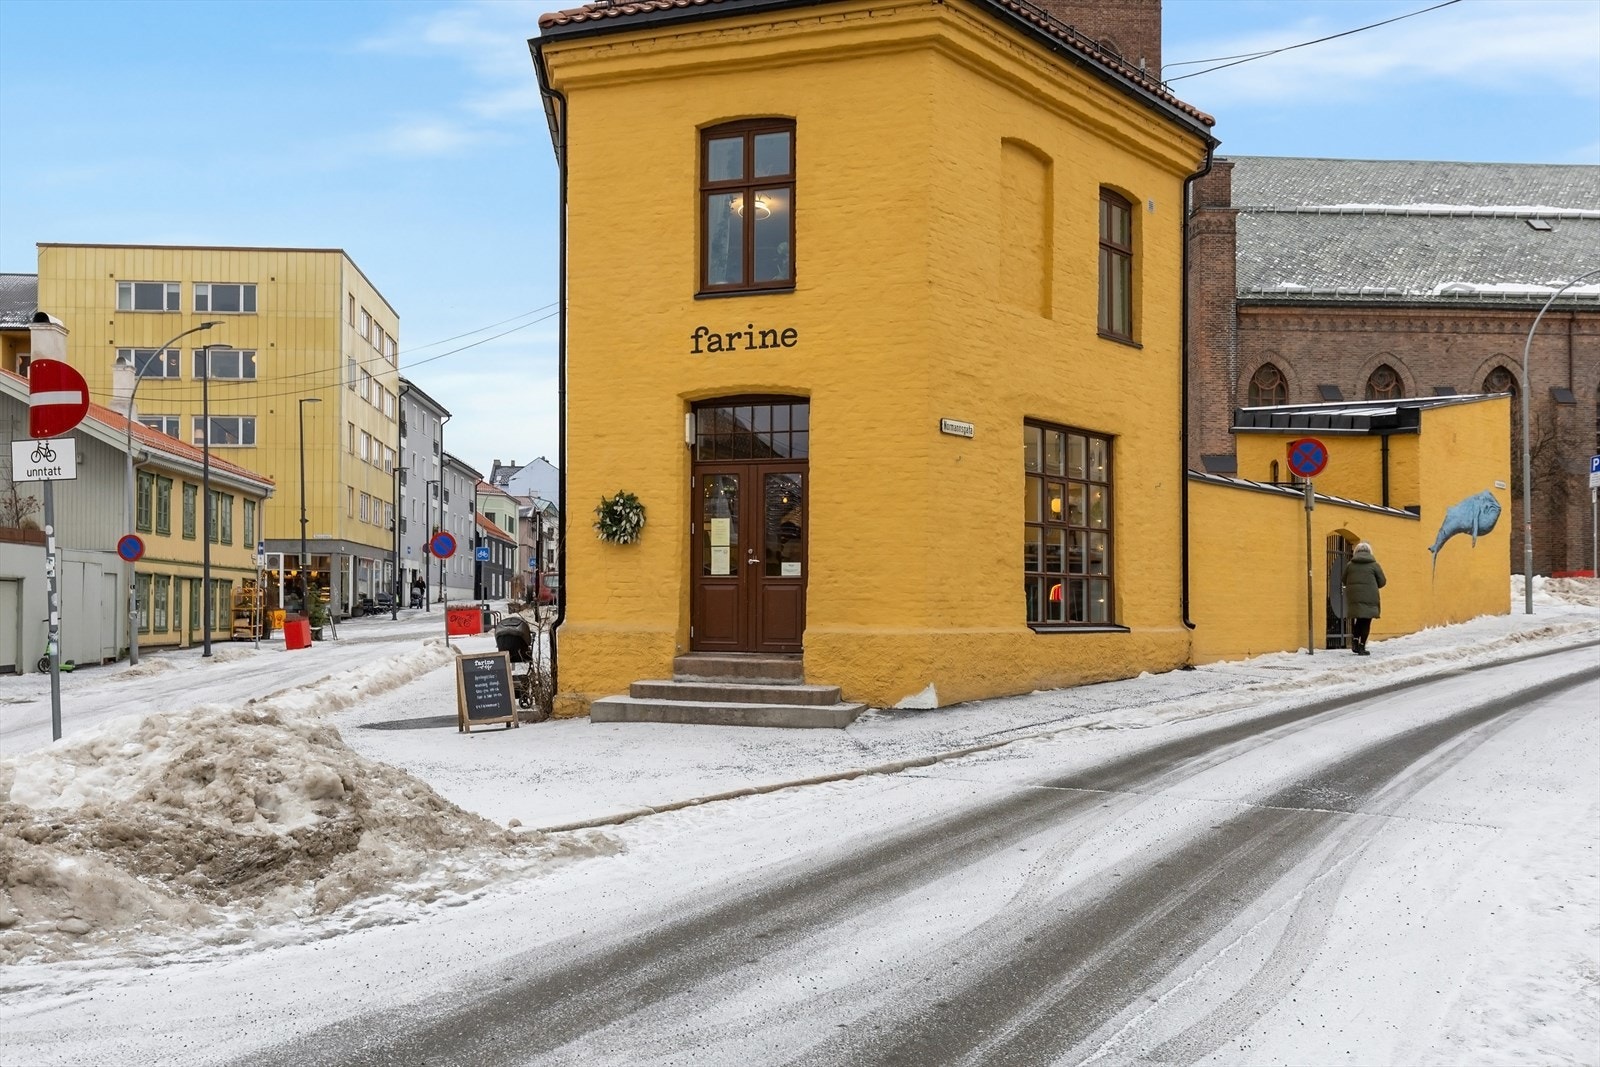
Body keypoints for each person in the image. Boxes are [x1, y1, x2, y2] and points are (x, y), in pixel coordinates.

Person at [1342, 540, 1386, 656]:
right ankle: (1362, 647)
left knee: (1359, 620)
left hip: (1354, 595)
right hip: (1370, 595)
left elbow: (1344, 579)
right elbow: (1382, 581)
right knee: (1366, 621)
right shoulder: (1374, 565)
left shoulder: (1350, 565)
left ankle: (1355, 641)